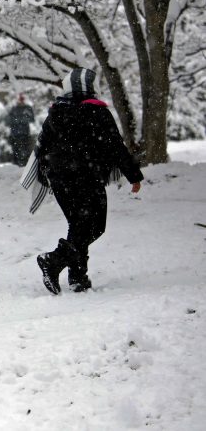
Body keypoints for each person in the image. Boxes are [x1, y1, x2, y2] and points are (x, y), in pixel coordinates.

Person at [27, 68, 143, 295]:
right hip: (86, 177)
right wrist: (133, 175)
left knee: (79, 226)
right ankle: (54, 260)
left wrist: (45, 174)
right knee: (95, 226)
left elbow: (42, 147)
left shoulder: (56, 112)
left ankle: (78, 277)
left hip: (60, 179)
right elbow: (115, 146)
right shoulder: (97, 112)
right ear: (90, 87)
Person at [5, 93, 35, 166]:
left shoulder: (28, 108)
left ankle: (25, 165)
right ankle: (16, 165)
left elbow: (32, 119)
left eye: (22, 99)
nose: (21, 101)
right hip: (15, 134)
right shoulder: (13, 109)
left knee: (26, 151)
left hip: (25, 134)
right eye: (20, 99)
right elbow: (8, 121)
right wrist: (19, 121)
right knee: (16, 151)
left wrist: (20, 120)